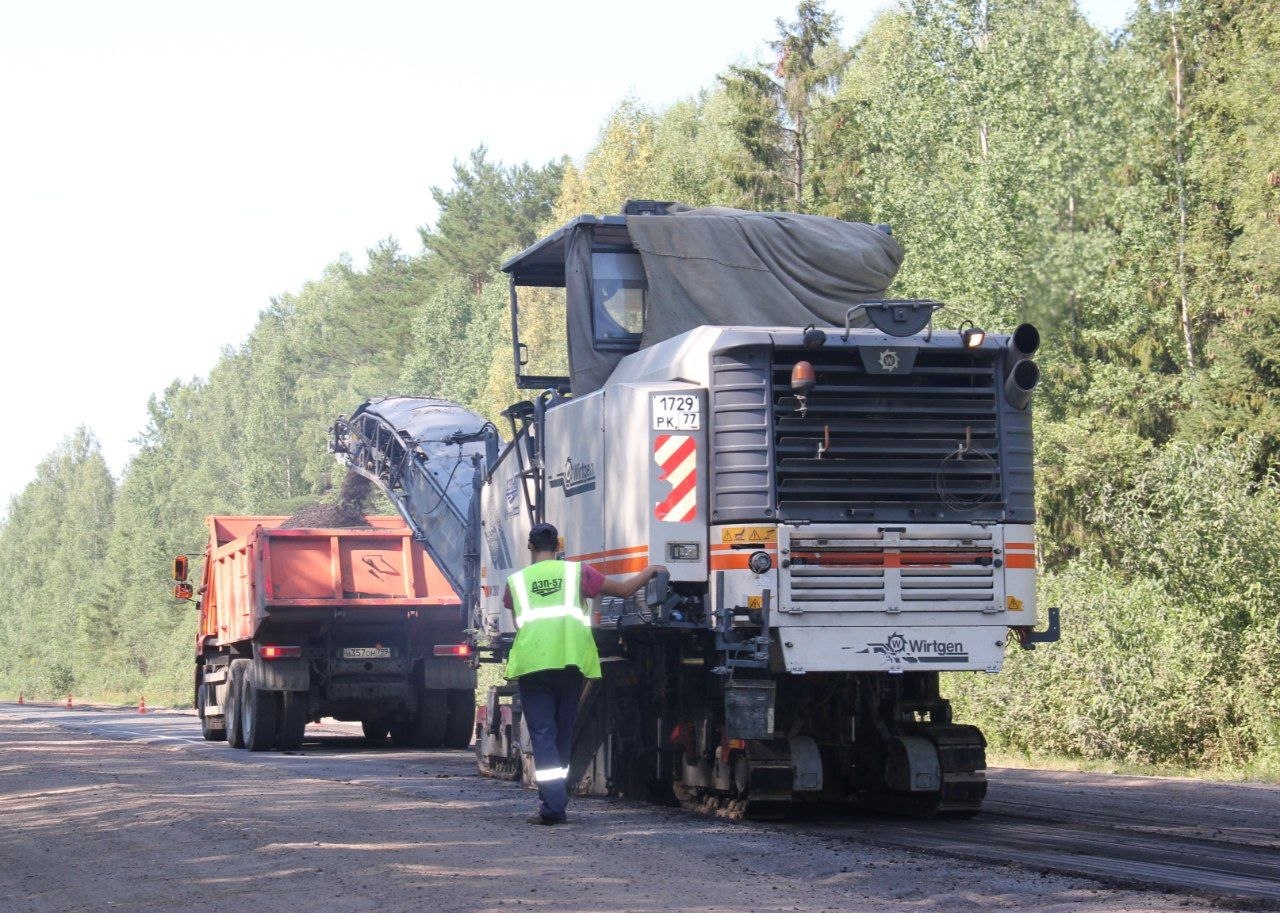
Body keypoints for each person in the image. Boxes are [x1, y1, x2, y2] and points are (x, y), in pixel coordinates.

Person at [503, 521, 664, 825]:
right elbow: (625, 590)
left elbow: (520, 622)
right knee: (563, 732)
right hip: (571, 662)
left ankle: (552, 806)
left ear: (530, 547)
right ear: (559, 548)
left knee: (543, 734)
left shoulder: (517, 582)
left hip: (534, 664)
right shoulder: (578, 573)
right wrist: (651, 570)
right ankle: (554, 800)